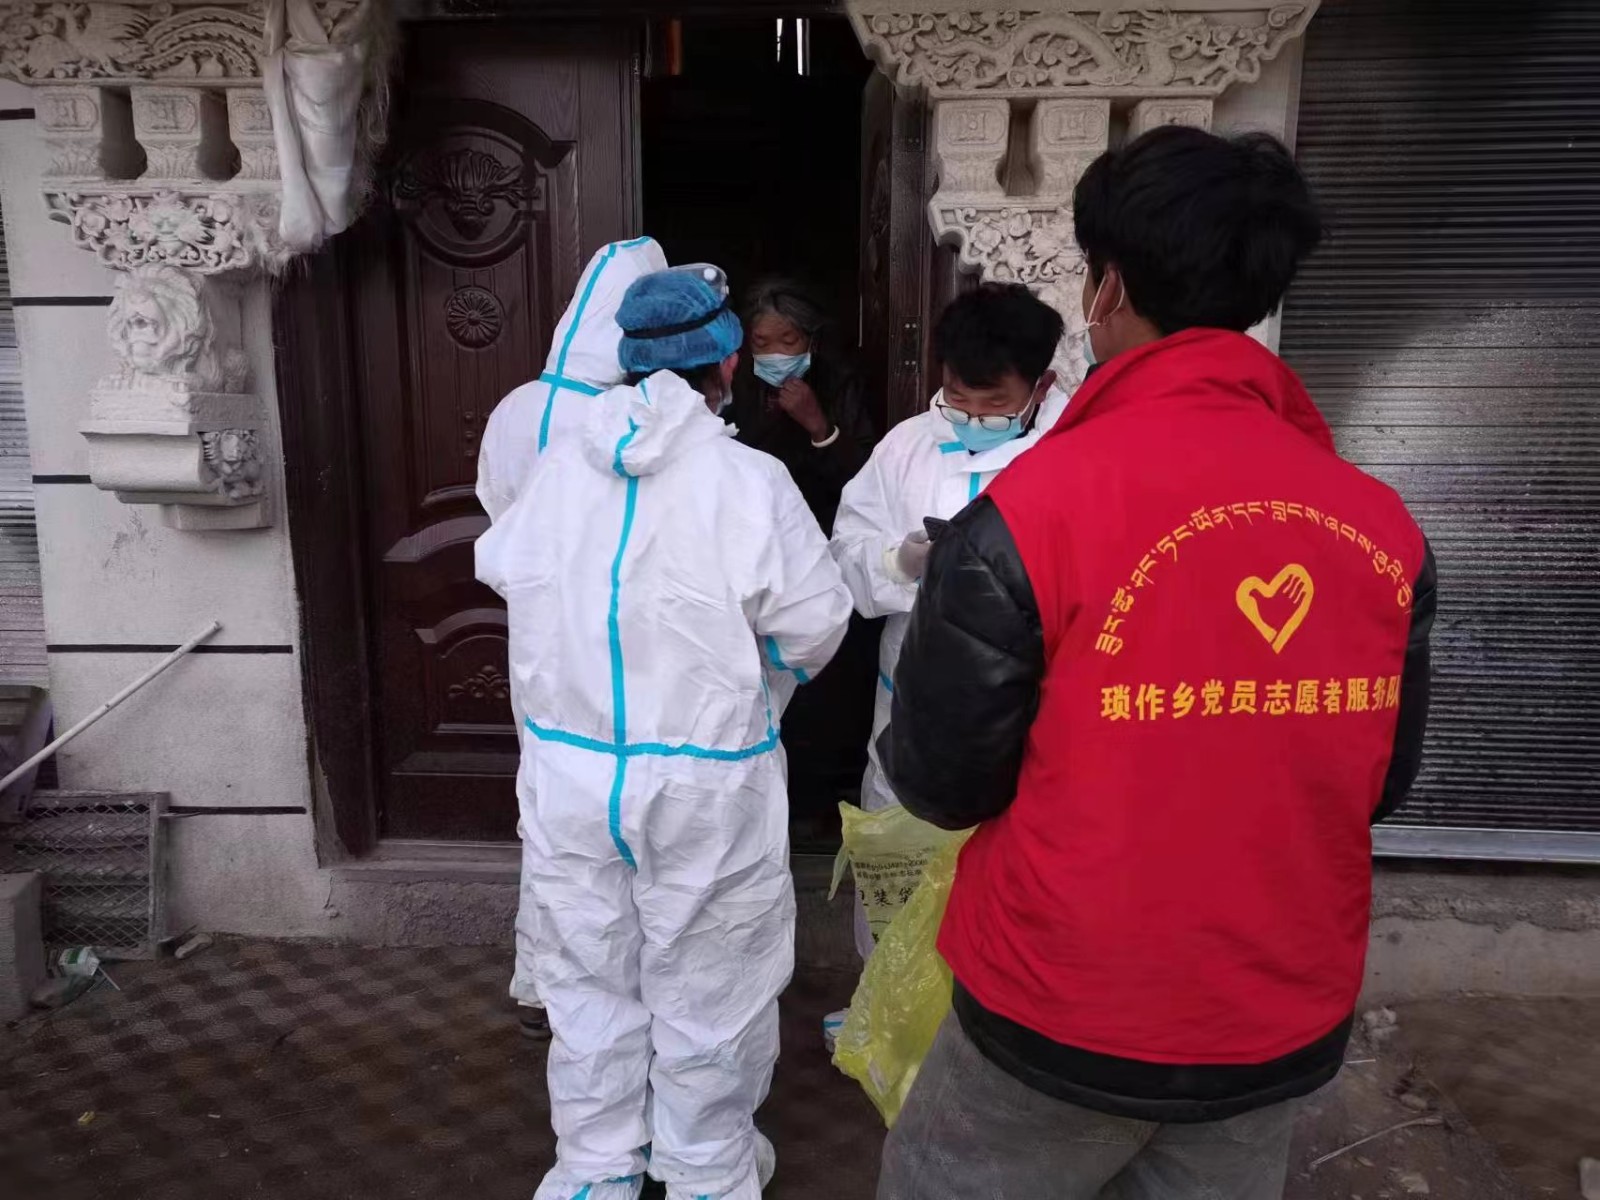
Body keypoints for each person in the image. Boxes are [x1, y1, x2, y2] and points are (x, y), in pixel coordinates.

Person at [874, 126, 1436, 1200]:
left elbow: (942, 784)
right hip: (1270, 1017)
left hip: (1058, 1013)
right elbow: (1381, 781)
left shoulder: (1031, 513)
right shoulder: (1382, 527)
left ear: (1108, 289)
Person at [475, 265, 854, 1200]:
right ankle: (705, 1169)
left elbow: (503, 567)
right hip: (705, 778)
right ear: (726, 361)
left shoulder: (561, 469)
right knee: (712, 984)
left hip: (573, 778)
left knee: (586, 977)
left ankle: (596, 1167)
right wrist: (756, 682)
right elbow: (812, 624)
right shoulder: (748, 480)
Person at [830, 283, 1069, 967]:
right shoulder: (907, 447)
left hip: (1029, 699)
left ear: (1041, 385)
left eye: (994, 405)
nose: (972, 418)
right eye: (958, 400)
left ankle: (988, 1011)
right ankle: (886, 1003)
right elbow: (846, 550)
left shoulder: (1073, 453)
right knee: (899, 856)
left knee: (1011, 867)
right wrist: (898, 561)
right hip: (914, 692)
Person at [477, 236, 669, 1041]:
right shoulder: (627, 420)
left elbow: (498, 520)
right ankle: (621, 990)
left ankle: (544, 986)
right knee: (620, 819)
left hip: (535, 643)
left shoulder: (515, 409)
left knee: (552, 814)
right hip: (616, 646)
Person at [728, 279, 880, 845]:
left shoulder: (840, 382)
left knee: (824, 680)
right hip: (753, 551)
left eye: (787, 340)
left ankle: (820, 804)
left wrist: (817, 424)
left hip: (823, 550)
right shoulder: (737, 384)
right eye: (761, 342)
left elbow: (863, 480)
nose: (773, 353)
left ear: (811, 339)